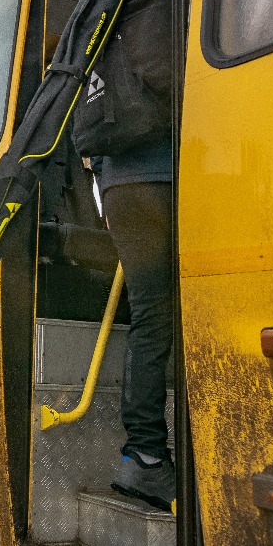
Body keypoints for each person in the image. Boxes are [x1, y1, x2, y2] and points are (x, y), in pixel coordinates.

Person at [92, 132, 175, 511]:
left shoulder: (106, 66)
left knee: (149, 317)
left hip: (118, 188)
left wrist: (106, 188)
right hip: (167, 174)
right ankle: (153, 458)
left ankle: (144, 452)